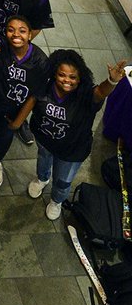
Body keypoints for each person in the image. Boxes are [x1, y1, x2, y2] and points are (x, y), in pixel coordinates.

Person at [27, 52, 127, 219]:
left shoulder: (85, 95)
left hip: (72, 151)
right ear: (54, 74)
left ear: (80, 78)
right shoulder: (46, 87)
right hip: (45, 140)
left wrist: (112, 81)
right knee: (43, 161)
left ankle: (56, 200)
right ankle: (42, 179)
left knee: (63, 180)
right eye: (62, 75)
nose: (67, 80)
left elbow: (101, 92)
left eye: (73, 77)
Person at [0, 15, 49, 189]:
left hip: (14, 108)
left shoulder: (40, 61)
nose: (15, 34)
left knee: (6, 135)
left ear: (29, 34)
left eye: (22, 30)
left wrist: (19, 120)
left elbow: (35, 95)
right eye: (10, 30)